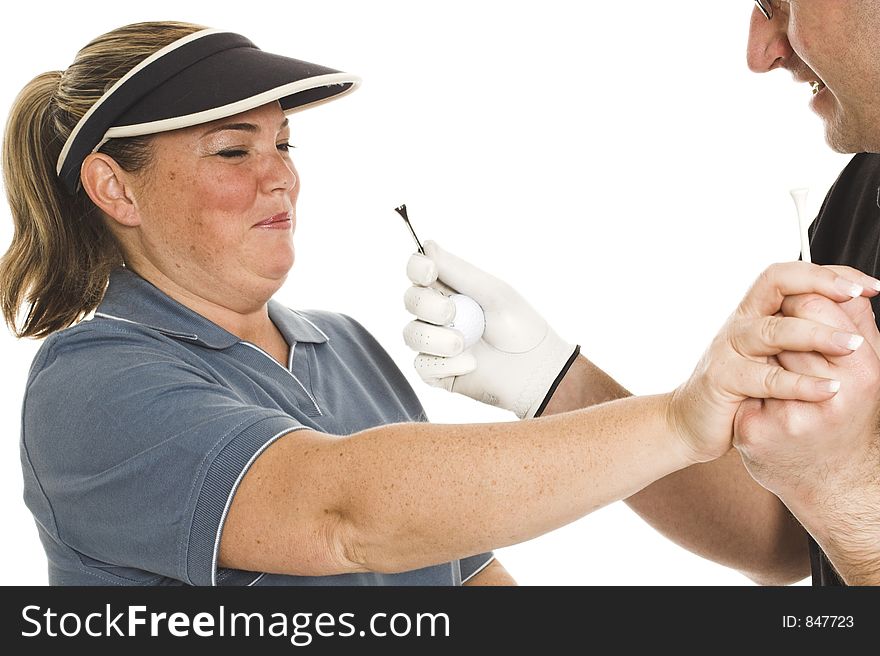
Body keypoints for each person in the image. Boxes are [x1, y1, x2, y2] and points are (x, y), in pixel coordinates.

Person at [2, 21, 876, 587]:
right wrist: (683, 418)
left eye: (285, 141)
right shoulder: (94, 386)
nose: (282, 174)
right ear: (115, 188)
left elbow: (468, 578)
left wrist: (555, 380)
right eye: (233, 150)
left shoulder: (342, 347)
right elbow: (342, 516)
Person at [402, 0, 880, 586]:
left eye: (778, 5)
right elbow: (788, 535)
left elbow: (843, 509)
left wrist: (845, 493)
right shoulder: (866, 191)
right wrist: (556, 380)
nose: (760, 53)